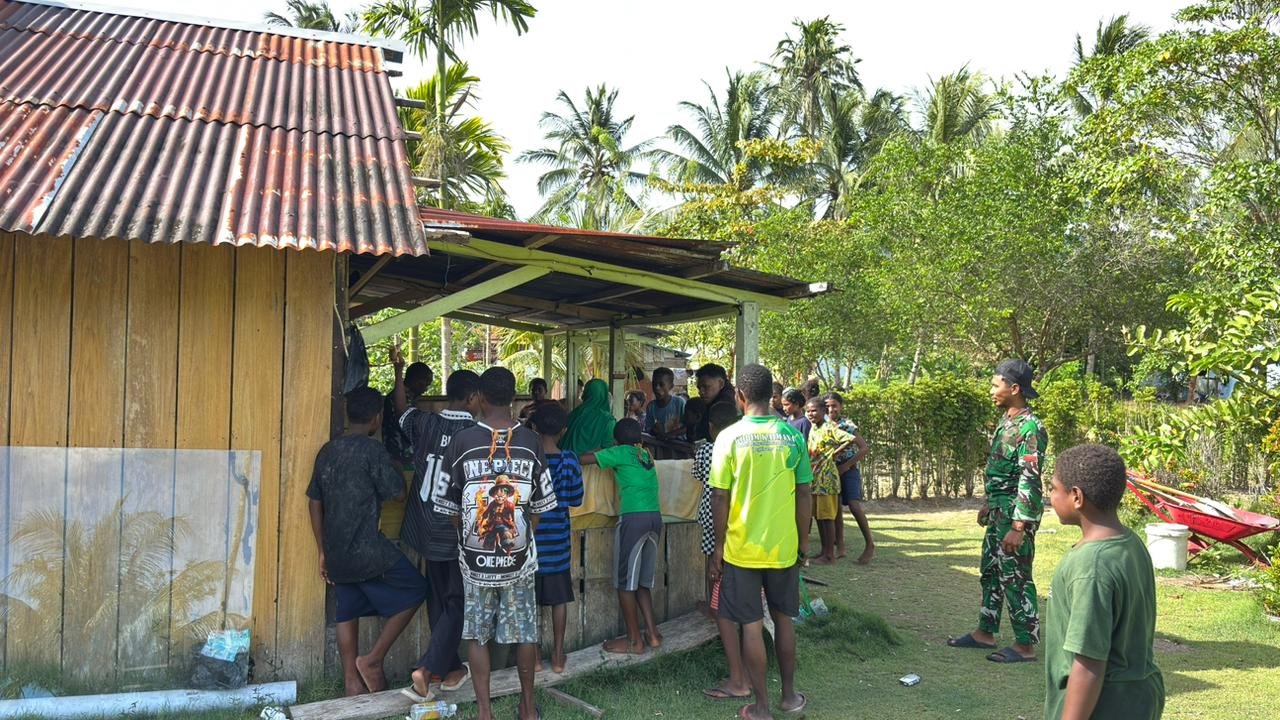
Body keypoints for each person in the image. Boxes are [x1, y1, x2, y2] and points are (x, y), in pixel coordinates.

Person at [432, 367, 557, 720]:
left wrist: (470, 537)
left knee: (476, 635)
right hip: (519, 561)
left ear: (482, 398)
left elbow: (448, 507)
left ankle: (485, 713)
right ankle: (528, 709)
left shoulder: (461, 442)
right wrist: (523, 536)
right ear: (514, 398)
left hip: (476, 563)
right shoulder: (531, 442)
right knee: (525, 634)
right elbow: (542, 505)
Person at [306, 386, 427, 696]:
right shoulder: (373, 451)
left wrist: (322, 551)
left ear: (349, 416)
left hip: (336, 551)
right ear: (377, 418)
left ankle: (352, 682)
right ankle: (373, 659)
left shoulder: (327, 451)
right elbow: (398, 494)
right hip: (368, 550)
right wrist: (396, 465)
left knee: (347, 610)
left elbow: (314, 503)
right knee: (417, 589)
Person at [707, 364, 811, 719]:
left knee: (750, 625)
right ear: (771, 396)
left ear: (740, 396)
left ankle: (762, 708)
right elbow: (804, 493)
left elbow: (719, 496)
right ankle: (789, 697)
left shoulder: (728, 438)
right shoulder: (793, 436)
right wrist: (803, 543)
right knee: (783, 620)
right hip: (783, 547)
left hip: (742, 549)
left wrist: (718, 547)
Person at [1044, 444, 1164, 720]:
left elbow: (1089, 663)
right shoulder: (1130, 543)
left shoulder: (1091, 567)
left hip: (1104, 706)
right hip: (1138, 698)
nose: (1050, 495)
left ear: (1076, 497)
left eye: (1053, 488)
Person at [949, 358, 1048, 663]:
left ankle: (1024, 646)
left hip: (1014, 515)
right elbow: (1001, 471)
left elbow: (1030, 478)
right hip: (998, 511)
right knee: (991, 572)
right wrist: (987, 502)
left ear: (1014, 388)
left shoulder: (1030, 427)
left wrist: (1019, 526)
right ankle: (985, 632)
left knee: (1015, 576)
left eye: (996, 385)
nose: (991, 391)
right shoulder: (1006, 421)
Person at [393, 361, 481, 702]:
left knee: (438, 597)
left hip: (423, 525)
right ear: (472, 397)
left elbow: (401, 410)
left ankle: (450, 667)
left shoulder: (426, 422)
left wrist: (398, 371)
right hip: (454, 531)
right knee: (458, 601)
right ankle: (427, 668)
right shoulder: (476, 434)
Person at [590, 418, 664, 654]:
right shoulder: (646, 455)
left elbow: (584, 459)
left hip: (633, 519)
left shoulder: (620, 452)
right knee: (642, 584)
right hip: (655, 518)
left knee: (624, 585)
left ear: (616, 440)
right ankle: (652, 635)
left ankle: (634, 642)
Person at [528, 402, 585, 674]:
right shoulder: (569, 460)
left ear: (534, 427)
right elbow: (576, 499)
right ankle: (559, 655)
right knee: (559, 601)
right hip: (558, 544)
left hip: (530, 544)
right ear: (563, 430)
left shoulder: (527, 459)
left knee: (529, 602)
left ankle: (535, 658)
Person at [695, 401, 740, 621]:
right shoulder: (739, 448)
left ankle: (714, 608)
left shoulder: (705, 450)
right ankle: (731, 604)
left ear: (711, 426)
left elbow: (697, 475)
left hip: (710, 510)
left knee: (713, 561)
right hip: (736, 510)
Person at [804, 397, 855, 565]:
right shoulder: (814, 428)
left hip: (827, 479)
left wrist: (834, 453)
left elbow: (850, 439)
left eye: (814, 410)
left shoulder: (828, 428)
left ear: (823, 411)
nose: (811, 414)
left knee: (827, 518)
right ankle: (824, 551)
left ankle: (830, 555)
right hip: (816, 478)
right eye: (808, 411)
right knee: (819, 517)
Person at [825, 392, 874, 564]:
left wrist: (846, 466)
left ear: (841, 406)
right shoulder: (822, 425)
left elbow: (864, 448)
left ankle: (869, 544)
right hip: (831, 471)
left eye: (834, 406)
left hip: (848, 469)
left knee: (854, 505)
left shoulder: (847, 425)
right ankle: (840, 547)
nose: (831, 409)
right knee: (836, 509)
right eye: (827, 406)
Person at [385, 360, 432, 471]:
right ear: (414, 380)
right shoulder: (402, 398)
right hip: (400, 455)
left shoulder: (409, 396)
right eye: (423, 384)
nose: (425, 389)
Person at [560, 378, 615, 453]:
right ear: (605, 395)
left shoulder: (575, 413)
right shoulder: (608, 420)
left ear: (586, 393)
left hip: (565, 457)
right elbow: (607, 447)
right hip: (592, 459)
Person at [692, 363, 736, 441]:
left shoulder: (725, 405)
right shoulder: (714, 399)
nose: (701, 392)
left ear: (721, 383)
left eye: (706, 387)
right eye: (699, 388)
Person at [644, 367, 687, 439]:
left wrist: (668, 435)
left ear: (671, 386)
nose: (657, 388)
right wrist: (655, 430)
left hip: (679, 444)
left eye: (661, 384)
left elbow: (687, 427)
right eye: (654, 384)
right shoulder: (651, 406)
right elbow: (649, 429)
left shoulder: (679, 403)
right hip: (659, 444)